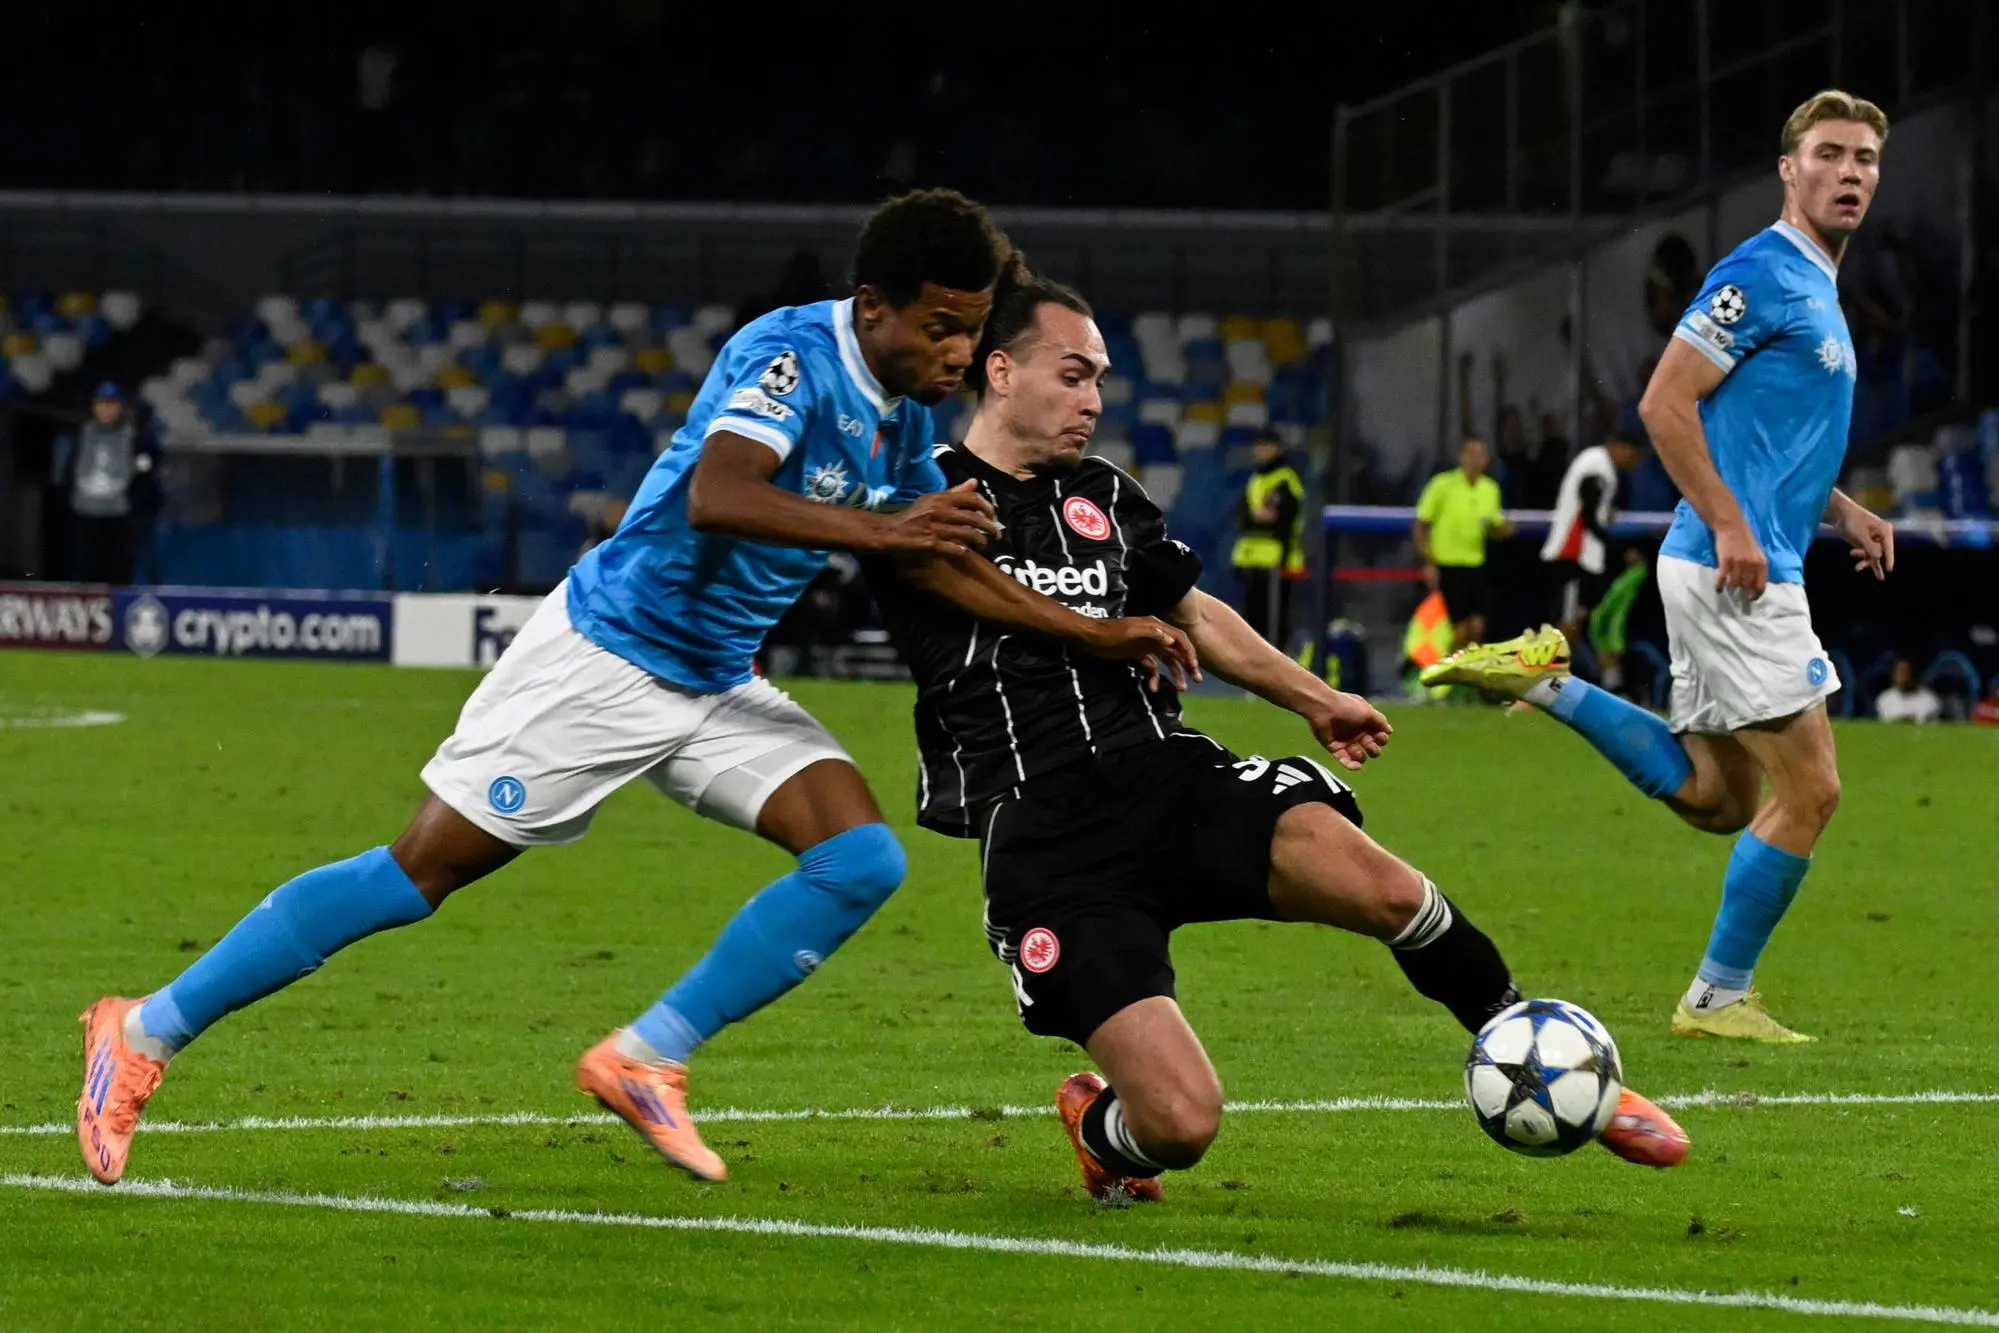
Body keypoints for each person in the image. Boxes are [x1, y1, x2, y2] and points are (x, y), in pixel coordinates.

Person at [75, 190, 1196, 1188]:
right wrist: (883, 528)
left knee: (859, 858)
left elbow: (932, 559)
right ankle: (144, 1028)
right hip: (607, 657)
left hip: (713, 682)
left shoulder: (902, 419)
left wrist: (1096, 632)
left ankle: (646, 1055)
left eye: (971, 328)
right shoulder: (790, 356)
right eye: (940, 326)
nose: (958, 352)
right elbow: (721, 495)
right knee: (419, 874)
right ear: (873, 308)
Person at [865, 265, 1688, 1203]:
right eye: (1072, 374)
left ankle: (1550, 1061)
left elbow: (1197, 613)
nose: (1091, 399)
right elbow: (939, 575)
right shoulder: (922, 496)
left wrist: (1314, 697)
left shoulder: (1107, 496)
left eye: (1099, 379)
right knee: (1180, 1124)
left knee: (1389, 889)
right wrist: (1102, 632)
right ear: (1001, 370)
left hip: (1166, 780)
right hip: (1047, 835)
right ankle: (1101, 1128)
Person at [1423, 90, 1896, 1044]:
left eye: (1864, 159)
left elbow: (1764, 438)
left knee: (1719, 798)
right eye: (1828, 154)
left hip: (1733, 559)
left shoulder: (1813, 282)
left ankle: (1547, 684)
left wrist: (1839, 508)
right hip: (1736, 570)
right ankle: (1716, 998)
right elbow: (1662, 403)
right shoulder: (1758, 272)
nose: (1848, 173)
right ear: (1787, 170)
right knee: (1811, 790)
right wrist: (1729, 524)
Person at [1538, 430, 1645, 687]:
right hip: (1572, 555)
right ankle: (1542, 681)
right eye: (1634, 455)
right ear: (1621, 448)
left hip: (1584, 557)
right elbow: (1589, 518)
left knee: (1580, 619)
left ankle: (1562, 681)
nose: (1635, 463)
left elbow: (1591, 509)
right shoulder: (1598, 468)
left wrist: (1606, 513)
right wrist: (1622, 551)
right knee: (1567, 622)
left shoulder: (1597, 464)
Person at [51, 382, 161, 585]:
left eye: (112, 404)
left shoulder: (135, 437)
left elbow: (148, 467)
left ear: (120, 407)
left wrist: (138, 484)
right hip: (86, 511)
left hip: (120, 513)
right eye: (102, 403)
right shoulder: (81, 434)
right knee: (86, 565)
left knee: (119, 567)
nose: (106, 409)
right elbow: (68, 471)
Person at [1413, 436, 1512, 650]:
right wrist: (1428, 562)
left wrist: (1503, 531)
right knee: (1457, 630)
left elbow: (1491, 528)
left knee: (1477, 628)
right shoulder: (1442, 485)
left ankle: (1465, 668)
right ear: (1462, 457)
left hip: (1476, 566)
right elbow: (1420, 525)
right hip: (1448, 566)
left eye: (1480, 455)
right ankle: (1447, 666)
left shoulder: (1490, 489)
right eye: (1471, 454)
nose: (1475, 460)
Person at [1229, 428, 1305, 648]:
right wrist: (1255, 517)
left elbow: (1279, 517)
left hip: (1277, 559)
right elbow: (1242, 515)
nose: (1260, 451)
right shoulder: (1256, 479)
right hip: (1251, 560)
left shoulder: (1285, 479)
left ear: (1277, 449)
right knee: (1252, 618)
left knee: (1274, 620)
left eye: (1266, 446)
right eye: (1258, 446)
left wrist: (1257, 517)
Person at [1873, 658, 1941, 724]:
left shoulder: (1930, 700)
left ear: (1913, 675)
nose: (1902, 676)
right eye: (1898, 672)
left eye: (1905, 672)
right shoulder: (1884, 699)